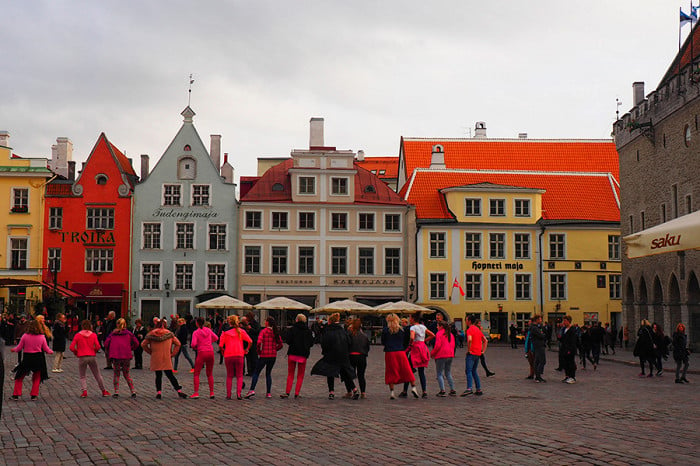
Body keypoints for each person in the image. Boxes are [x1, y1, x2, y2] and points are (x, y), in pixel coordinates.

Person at [311, 313, 358, 400]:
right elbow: (349, 342)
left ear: (329, 321)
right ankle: (355, 390)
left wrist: (325, 352)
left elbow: (324, 343)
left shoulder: (328, 331)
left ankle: (331, 392)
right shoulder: (343, 331)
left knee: (330, 373)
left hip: (331, 355)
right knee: (345, 373)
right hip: (343, 355)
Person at [141, 318, 187, 399]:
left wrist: (150, 352)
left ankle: (159, 392)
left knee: (158, 375)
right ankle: (178, 390)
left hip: (156, 356)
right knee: (170, 375)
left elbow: (143, 344)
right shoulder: (169, 334)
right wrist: (172, 354)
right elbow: (178, 344)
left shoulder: (152, 334)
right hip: (166, 356)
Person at [10, 319, 53, 400]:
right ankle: (34, 394)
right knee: (37, 377)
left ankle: (16, 394)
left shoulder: (25, 336)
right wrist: (50, 351)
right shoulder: (42, 337)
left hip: (27, 358)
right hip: (38, 358)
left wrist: (14, 350)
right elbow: (46, 348)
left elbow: (19, 347)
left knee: (19, 377)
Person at [69, 320, 110, 398]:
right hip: (91, 356)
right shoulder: (93, 335)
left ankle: (84, 391)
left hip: (82, 356)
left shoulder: (78, 335)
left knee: (82, 375)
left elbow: (71, 347)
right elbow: (98, 346)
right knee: (97, 374)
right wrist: (93, 350)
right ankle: (103, 390)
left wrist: (77, 352)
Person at [381, 313, 417, 399]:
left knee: (390, 371)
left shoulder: (386, 330)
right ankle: (413, 387)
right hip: (401, 351)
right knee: (407, 369)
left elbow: (383, 341)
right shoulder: (402, 330)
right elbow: (406, 341)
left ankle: (392, 392)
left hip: (390, 352)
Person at [245, 316, 283, 399]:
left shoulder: (264, 331)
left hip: (264, 355)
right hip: (273, 356)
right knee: (268, 373)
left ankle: (252, 389)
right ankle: (268, 392)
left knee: (256, 372)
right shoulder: (275, 332)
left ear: (267, 322)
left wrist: (259, 351)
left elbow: (258, 342)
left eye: (265, 321)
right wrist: (275, 349)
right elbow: (280, 344)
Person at [104, 318, 139, 398]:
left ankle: (116, 391)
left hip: (116, 356)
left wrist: (111, 349)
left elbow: (106, 344)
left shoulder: (113, 334)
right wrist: (131, 348)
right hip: (126, 356)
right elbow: (136, 343)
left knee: (116, 374)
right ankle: (132, 390)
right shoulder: (128, 334)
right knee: (126, 374)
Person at [219, 314, 252, 400]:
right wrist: (246, 349)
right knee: (239, 376)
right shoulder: (241, 331)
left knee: (229, 376)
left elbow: (220, 345)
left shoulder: (225, 332)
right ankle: (238, 394)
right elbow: (250, 341)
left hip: (228, 355)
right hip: (239, 354)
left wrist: (223, 351)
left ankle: (229, 395)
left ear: (229, 322)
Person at [282, 313, 314, 399]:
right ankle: (297, 392)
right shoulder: (308, 331)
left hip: (292, 353)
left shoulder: (292, 329)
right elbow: (311, 343)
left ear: (296, 320)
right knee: (300, 375)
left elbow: (288, 341)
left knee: (290, 374)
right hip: (303, 354)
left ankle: (287, 392)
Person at [190, 316, 219, 399]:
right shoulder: (208, 330)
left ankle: (196, 392)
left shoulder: (196, 332)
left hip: (201, 352)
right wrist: (209, 341)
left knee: (197, 373)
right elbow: (216, 338)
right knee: (209, 373)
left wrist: (197, 346)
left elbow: (193, 344)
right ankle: (211, 392)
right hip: (210, 351)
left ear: (197, 323)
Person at [409, 312, 434, 398]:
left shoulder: (413, 327)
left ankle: (408, 388)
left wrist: (411, 343)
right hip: (423, 347)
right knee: (421, 371)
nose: (409, 319)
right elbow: (432, 335)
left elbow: (412, 337)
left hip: (416, 348)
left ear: (413, 319)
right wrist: (424, 340)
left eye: (410, 318)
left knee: (410, 368)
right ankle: (424, 391)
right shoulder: (423, 327)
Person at [461, 314, 487, 396]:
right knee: (474, 371)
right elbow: (485, 340)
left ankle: (469, 388)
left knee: (468, 371)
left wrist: (469, 350)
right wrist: (483, 351)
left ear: (469, 321)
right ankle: (478, 389)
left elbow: (469, 339)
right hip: (478, 353)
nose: (465, 321)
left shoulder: (470, 329)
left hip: (472, 353)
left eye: (466, 320)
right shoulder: (477, 329)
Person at [431, 321, 456, 396]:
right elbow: (453, 345)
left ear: (441, 326)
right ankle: (452, 389)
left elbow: (438, 345)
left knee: (439, 373)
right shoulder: (450, 334)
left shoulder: (439, 333)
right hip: (450, 355)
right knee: (448, 372)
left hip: (441, 355)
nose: (437, 327)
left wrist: (432, 353)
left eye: (438, 326)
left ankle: (442, 390)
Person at [348, 318, 370, 399]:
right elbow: (367, 347)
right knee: (361, 375)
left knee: (349, 375)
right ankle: (363, 392)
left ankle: (351, 390)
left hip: (351, 356)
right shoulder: (364, 335)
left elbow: (347, 345)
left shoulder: (350, 334)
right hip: (362, 356)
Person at [560, 316, 578, 384]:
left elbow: (573, 341)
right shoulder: (564, 329)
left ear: (569, 321)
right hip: (564, 348)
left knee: (571, 363)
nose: (564, 322)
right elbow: (563, 339)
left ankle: (572, 377)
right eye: (563, 321)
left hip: (570, 349)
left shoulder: (572, 329)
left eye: (565, 321)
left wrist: (570, 349)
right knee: (565, 363)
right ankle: (567, 376)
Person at [530, 314, 547, 383]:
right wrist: (542, 334)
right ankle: (538, 376)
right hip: (539, 345)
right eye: (540, 319)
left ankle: (537, 376)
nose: (541, 320)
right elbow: (541, 335)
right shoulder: (534, 328)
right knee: (542, 361)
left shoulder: (536, 327)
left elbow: (543, 333)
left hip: (537, 345)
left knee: (537, 361)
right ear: (537, 320)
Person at [243, 312, 260, 376]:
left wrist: (251, 329)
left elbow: (257, 332)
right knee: (248, 357)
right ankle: (249, 371)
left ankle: (254, 371)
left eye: (247, 317)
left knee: (254, 357)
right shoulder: (247, 324)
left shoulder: (256, 324)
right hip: (248, 343)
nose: (246, 319)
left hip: (254, 342)